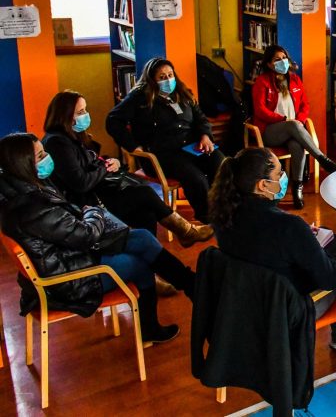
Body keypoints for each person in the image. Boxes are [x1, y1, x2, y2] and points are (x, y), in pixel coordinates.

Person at [0, 133, 195, 344]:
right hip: (70, 281)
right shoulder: (31, 206)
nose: (47, 156)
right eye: (40, 155)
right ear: (23, 164)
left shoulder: (22, 189)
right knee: (141, 263)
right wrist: (94, 213)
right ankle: (156, 322)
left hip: (69, 257)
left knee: (141, 237)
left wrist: (87, 215)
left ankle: (192, 286)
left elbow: (69, 226)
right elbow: (85, 235)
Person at [207, 147, 336, 351]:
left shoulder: (222, 219)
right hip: (287, 311)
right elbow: (329, 280)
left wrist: (307, 243)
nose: (285, 177)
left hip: (248, 305)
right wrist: (315, 248)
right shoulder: (288, 226)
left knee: (326, 239)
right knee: (334, 259)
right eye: (279, 173)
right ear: (263, 185)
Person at [42, 90, 213, 247]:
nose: (85, 116)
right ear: (64, 115)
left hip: (98, 190)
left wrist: (111, 163)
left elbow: (90, 162)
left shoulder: (73, 136)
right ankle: (185, 231)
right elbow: (80, 182)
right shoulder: (57, 143)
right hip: (86, 202)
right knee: (144, 193)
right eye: (80, 112)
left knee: (146, 213)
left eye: (85, 110)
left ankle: (152, 265)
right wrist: (105, 169)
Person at [106, 57, 225, 223]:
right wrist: (133, 146)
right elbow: (113, 120)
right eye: (162, 77)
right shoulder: (139, 98)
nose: (168, 80)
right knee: (195, 177)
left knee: (220, 162)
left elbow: (200, 119)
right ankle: (208, 217)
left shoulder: (182, 93)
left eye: (170, 75)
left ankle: (222, 208)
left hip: (191, 146)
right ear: (152, 80)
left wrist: (205, 135)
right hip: (162, 153)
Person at [251, 45, 336, 209]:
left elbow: (305, 105)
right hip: (271, 131)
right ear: (270, 64)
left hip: (293, 130)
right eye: (277, 59)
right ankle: (323, 160)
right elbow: (260, 110)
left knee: (297, 145)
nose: (282, 62)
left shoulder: (295, 79)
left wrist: (299, 120)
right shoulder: (262, 81)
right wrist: (285, 119)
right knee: (293, 125)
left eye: (284, 58)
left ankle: (297, 189)